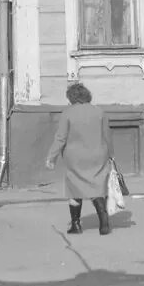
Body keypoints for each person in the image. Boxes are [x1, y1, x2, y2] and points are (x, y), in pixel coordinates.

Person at [45, 82, 115, 235]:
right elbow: (107, 136)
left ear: (71, 98)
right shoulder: (99, 112)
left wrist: (52, 157)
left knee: (74, 189)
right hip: (98, 155)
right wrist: (111, 154)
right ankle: (104, 223)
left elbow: (60, 138)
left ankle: (76, 225)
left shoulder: (68, 113)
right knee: (97, 186)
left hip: (75, 158)